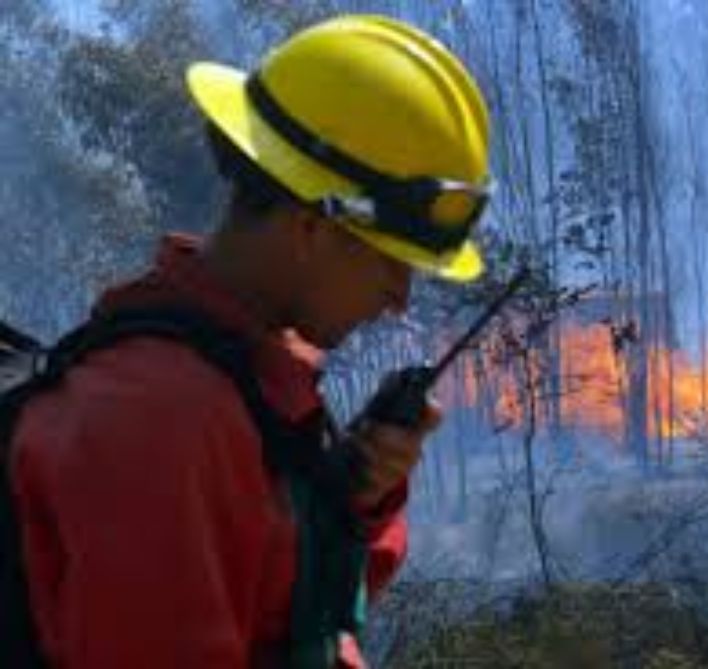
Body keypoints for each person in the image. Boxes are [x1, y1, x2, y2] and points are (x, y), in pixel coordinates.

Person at [9, 13, 491, 669]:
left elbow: (290, 617)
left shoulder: (252, 384)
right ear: (309, 229)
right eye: (389, 261)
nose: (399, 295)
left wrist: (351, 498)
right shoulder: (161, 421)